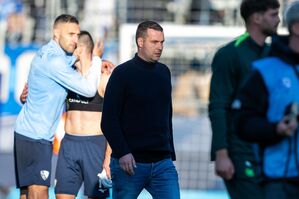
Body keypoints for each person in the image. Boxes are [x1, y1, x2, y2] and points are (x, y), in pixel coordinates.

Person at [14, 14, 102, 199]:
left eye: (77, 35)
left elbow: (38, 86)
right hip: (36, 137)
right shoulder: (55, 62)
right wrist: (97, 61)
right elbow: (88, 89)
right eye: (70, 34)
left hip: (25, 132)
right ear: (56, 33)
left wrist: (25, 98)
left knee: (26, 192)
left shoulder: (46, 53)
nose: (75, 40)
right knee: (39, 192)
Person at [208, 0, 280, 198]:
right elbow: (218, 106)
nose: (279, 20)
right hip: (240, 153)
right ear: (257, 18)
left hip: (270, 152)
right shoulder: (229, 54)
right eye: (273, 15)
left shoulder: (274, 54)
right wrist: (221, 154)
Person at [101, 20, 180, 199]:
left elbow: (166, 116)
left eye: (162, 42)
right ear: (140, 42)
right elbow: (108, 120)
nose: (159, 47)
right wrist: (123, 152)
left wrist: (169, 153)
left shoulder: (164, 72)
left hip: (162, 164)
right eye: (154, 42)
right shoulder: (122, 74)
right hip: (129, 163)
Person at [232, 1, 299, 198]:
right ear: (296, 27)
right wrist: (275, 129)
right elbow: (242, 122)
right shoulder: (266, 70)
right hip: (279, 182)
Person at [54, 31, 112, 199]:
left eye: (70, 46)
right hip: (69, 145)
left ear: (79, 49)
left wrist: (108, 157)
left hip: (95, 146)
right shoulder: (67, 75)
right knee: (61, 196)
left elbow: (115, 121)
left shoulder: (105, 77)